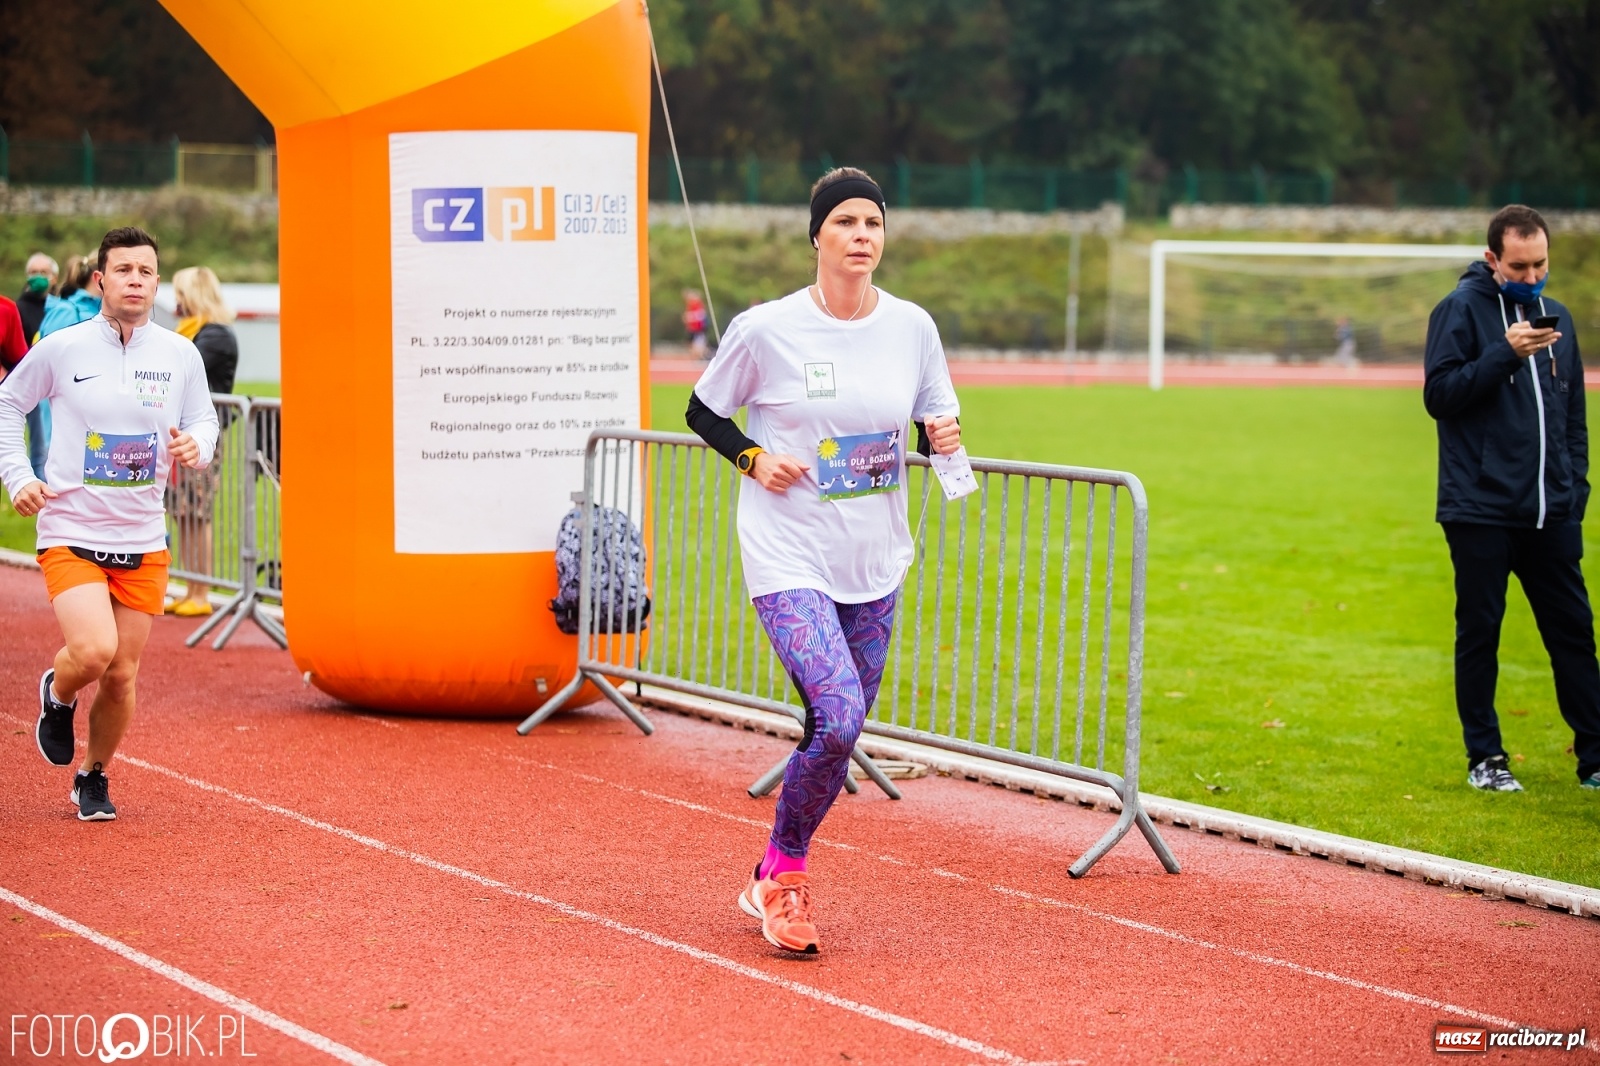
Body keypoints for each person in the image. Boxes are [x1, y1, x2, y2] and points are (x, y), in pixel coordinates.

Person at [685, 167, 962, 953]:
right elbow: (703, 408)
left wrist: (937, 437)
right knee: (838, 716)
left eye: (872, 223)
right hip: (787, 549)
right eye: (845, 222)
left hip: (874, 556)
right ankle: (788, 879)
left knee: (832, 730)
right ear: (817, 236)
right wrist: (750, 458)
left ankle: (765, 866)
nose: (861, 236)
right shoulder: (767, 328)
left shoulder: (913, 327)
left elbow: (924, 418)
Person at [0, 226, 218, 821]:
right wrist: (18, 475)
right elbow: (8, 400)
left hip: (144, 535)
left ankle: (92, 776)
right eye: (123, 270)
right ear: (100, 279)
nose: (135, 281)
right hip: (72, 528)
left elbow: (205, 419)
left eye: (146, 272)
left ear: (156, 282)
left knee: (122, 675)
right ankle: (58, 689)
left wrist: (198, 444)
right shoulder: (63, 347)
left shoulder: (179, 355)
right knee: (94, 651)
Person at [1423, 204, 1600, 794]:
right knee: (1481, 631)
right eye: (1519, 266)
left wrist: (1575, 491)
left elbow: (1572, 416)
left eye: (1540, 264)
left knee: (1574, 631)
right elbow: (1440, 395)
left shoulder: (1560, 320)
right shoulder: (1458, 311)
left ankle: (1595, 757)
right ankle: (1485, 758)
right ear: (1492, 258)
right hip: (1478, 508)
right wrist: (1504, 352)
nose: (1531, 277)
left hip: (1550, 510)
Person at [164, 266, 239, 617]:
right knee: (183, 514)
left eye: (180, 294)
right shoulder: (194, 332)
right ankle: (191, 585)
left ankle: (201, 591)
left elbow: (180, 373)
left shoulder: (215, 336)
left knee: (198, 513)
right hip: (181, 436)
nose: (175, 302)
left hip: (201, 438)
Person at [17, 253, 58, 345]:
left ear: (55, 278)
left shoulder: (61, 308)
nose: (38, 276)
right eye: (34, 272)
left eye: (44, 272)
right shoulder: (18, 309)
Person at [682, 290, 708, 359]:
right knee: (693, 343)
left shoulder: (697, 304)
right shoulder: (690, 305)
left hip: (698, 328)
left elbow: (700, 315)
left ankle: (702, 356)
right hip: (693, 328)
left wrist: (689, 317)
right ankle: (699, 356)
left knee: (698, 344)